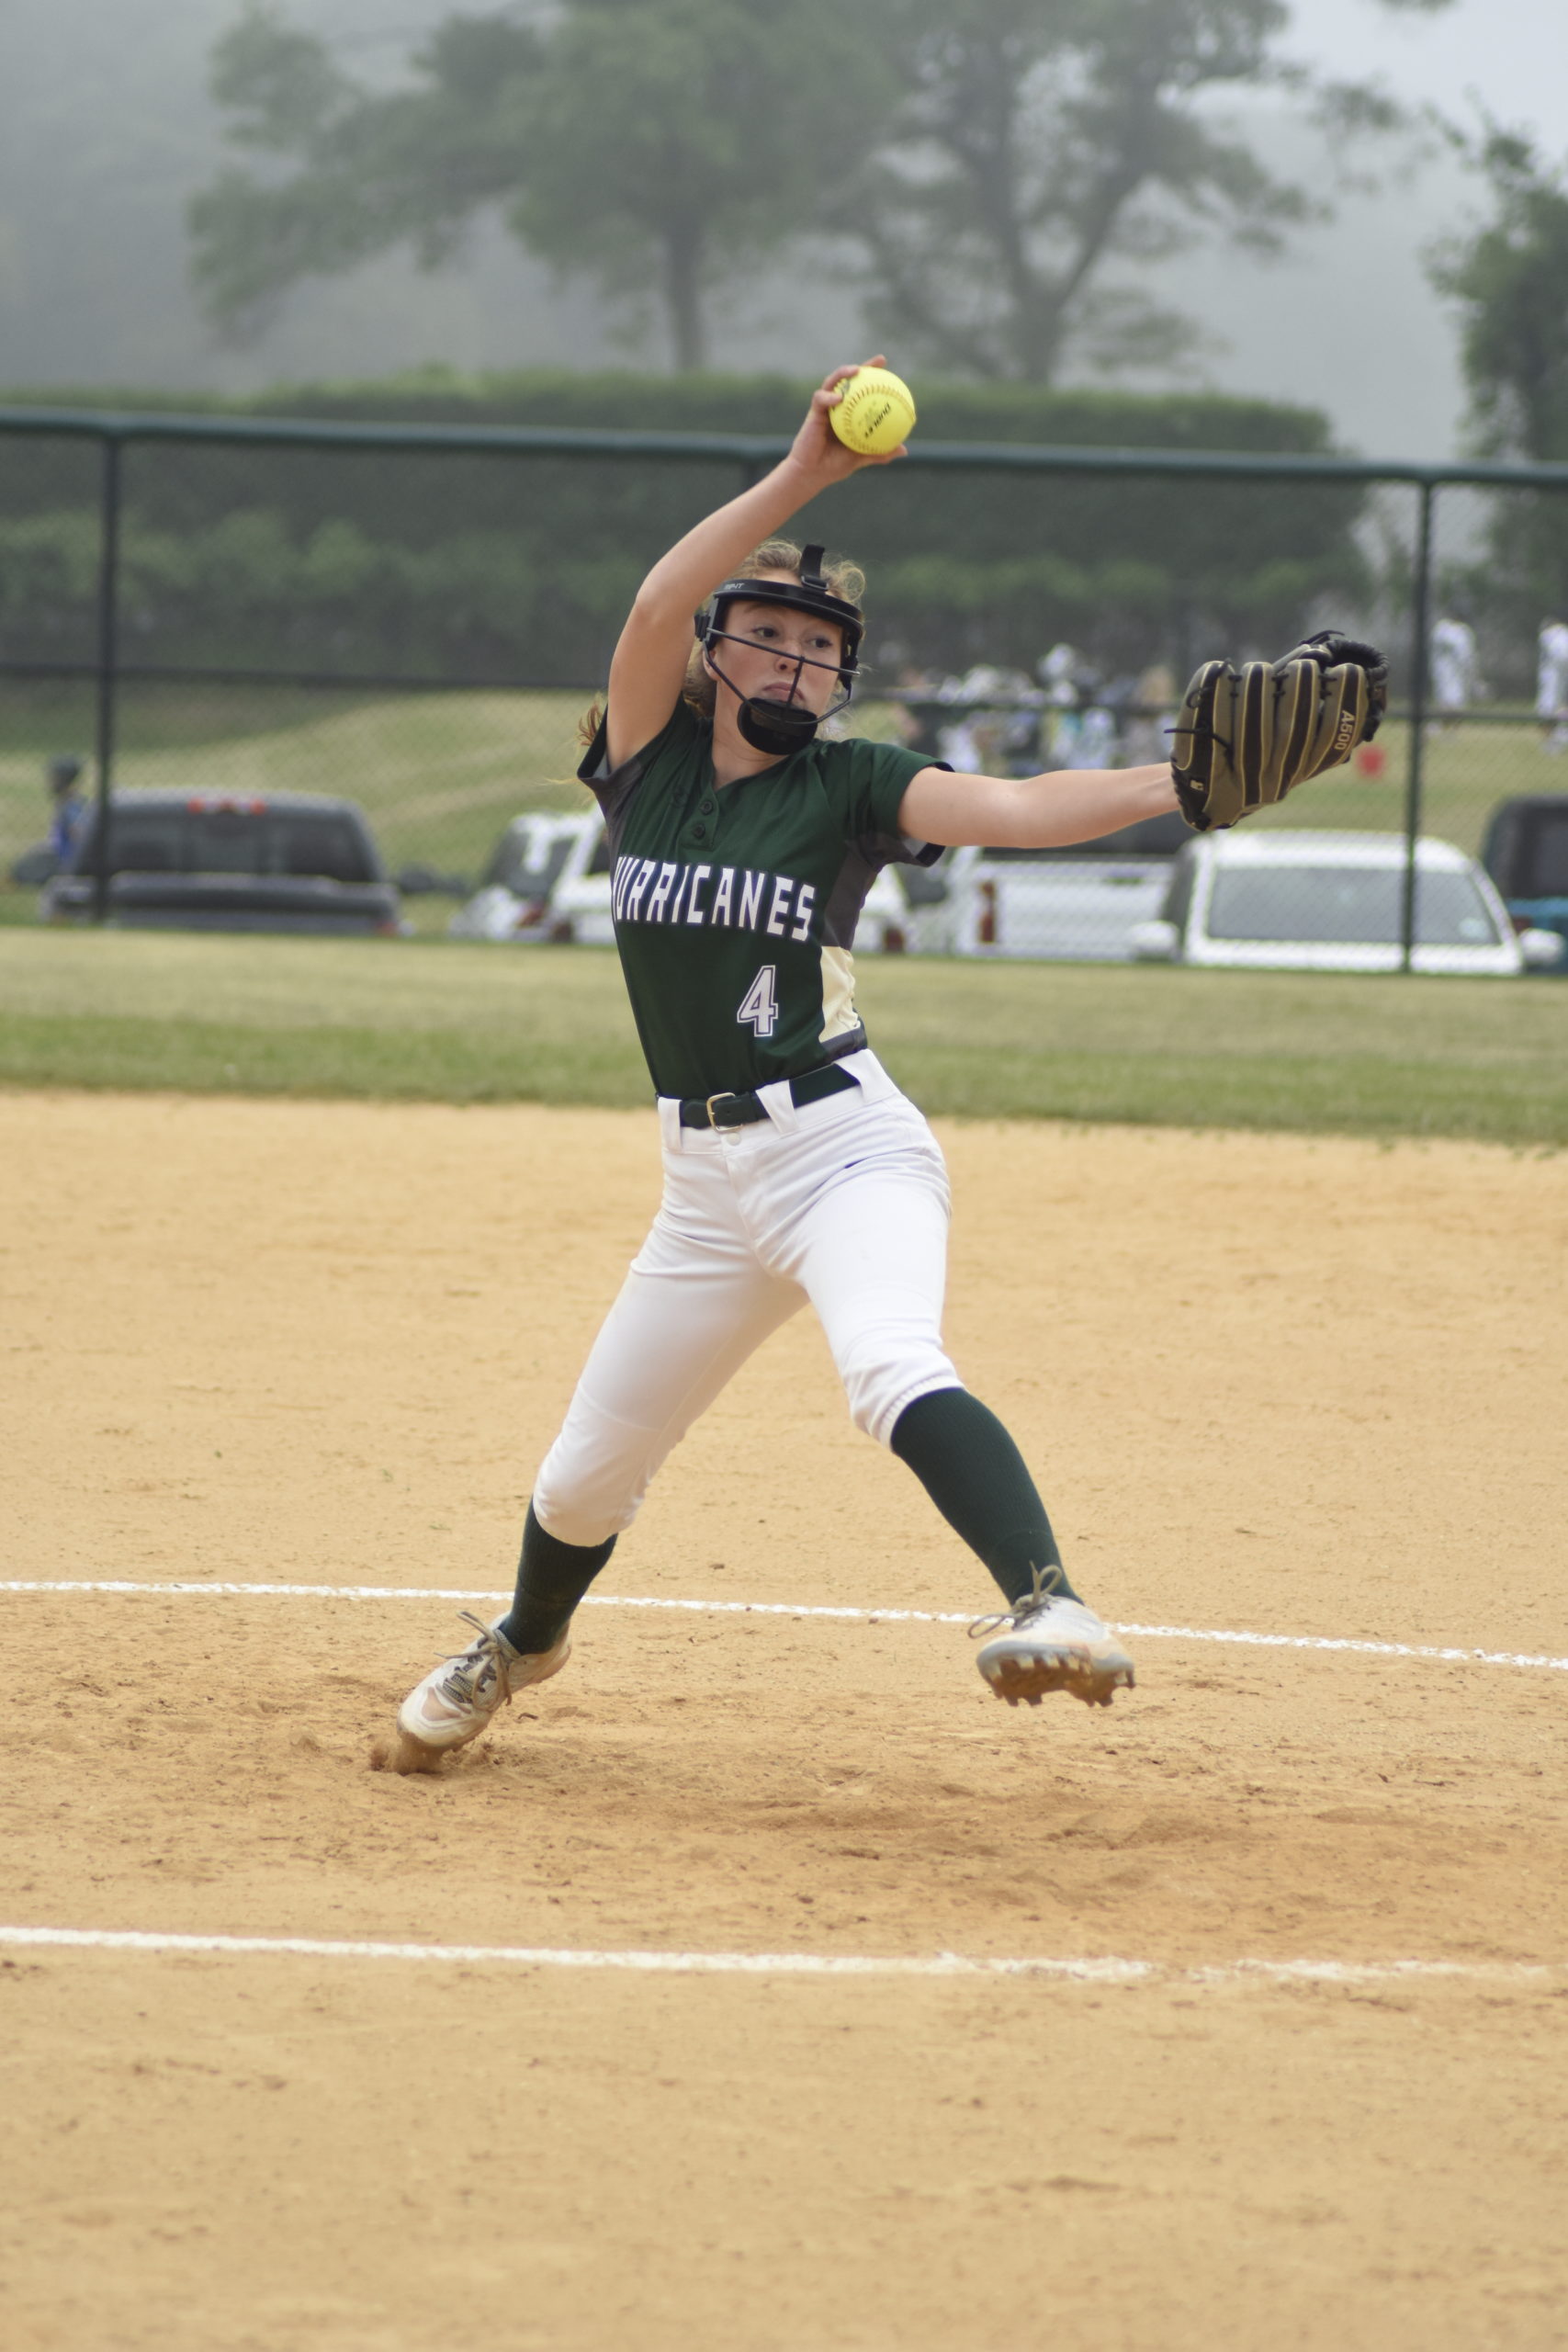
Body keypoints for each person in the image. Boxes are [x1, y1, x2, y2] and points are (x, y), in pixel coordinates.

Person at [391, 358, 1193, 1769]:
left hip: (841, 1148)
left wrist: (1175, 784)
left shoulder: (852, 787)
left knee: (888, 1363)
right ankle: (520, 1646)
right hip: (700, 1185)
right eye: (764, 634)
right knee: (584, 1477)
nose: (793, 661)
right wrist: (803, 476)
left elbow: (1012, 804)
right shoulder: (649, 765)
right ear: (713, 653)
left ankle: (1052, 1605)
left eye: (818, 648)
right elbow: (648, 605)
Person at [1429, 612, 1478, 729]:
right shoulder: (1460, 632)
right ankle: (1444, 725)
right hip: (1451, 672)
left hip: (1444, 671)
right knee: (1452, 701)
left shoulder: (1441, 628)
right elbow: (1466, 657)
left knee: (1449, 700)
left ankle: (1446, 725)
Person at [1537, 615, 1568, 753]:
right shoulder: (1562, 634)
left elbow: (1561, 656)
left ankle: (1553, 741)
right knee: (1557, 707)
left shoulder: (1549, 635)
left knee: (1549, 709)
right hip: (1557, 677)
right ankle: (1556, 738)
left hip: (1551, 677)